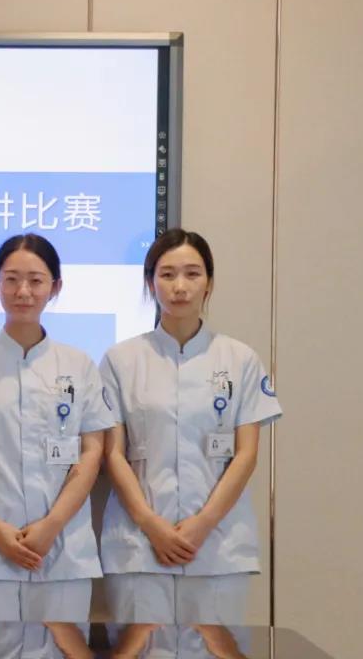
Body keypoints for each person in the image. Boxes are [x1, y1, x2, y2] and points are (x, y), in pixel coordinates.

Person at [100, 228, 282, 624]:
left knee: (215, 648)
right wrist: (151, 524)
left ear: (209, 283)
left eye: (192, 274)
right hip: (139, 544)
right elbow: (113, 453)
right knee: (141, 649)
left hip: (218, 546)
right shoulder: (121, 360)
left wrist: (203, 524)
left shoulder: (240, 359)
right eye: (167, 275)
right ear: (150, 283)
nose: (179, 286)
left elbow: (246, 455)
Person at [0, 233, 112, 623]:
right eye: (12, 280)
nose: (23, 292)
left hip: (62, 546)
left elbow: (92, 451)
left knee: (61, 645)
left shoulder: (79, 364)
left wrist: (52, 525)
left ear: (55, 287)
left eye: (36, 281)